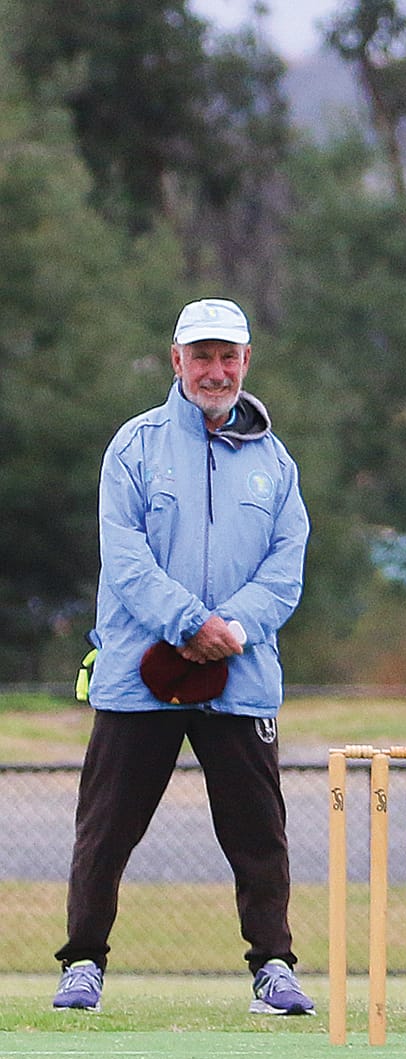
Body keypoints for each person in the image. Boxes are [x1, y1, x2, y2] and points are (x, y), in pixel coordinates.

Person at [54, 298, 313, 1016]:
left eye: (227, 356)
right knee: (105, 832)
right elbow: (126, 560)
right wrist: (190, 622)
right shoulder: (133, 448)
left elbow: (286, 568)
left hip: (241, 676)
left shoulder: (276, 463)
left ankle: (273, 968)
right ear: (176, 361)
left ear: (246, 362)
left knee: (259, 837)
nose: (215, 369)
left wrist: (234, 628)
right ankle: (82, 963)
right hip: (141, 674)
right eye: (201, 356)